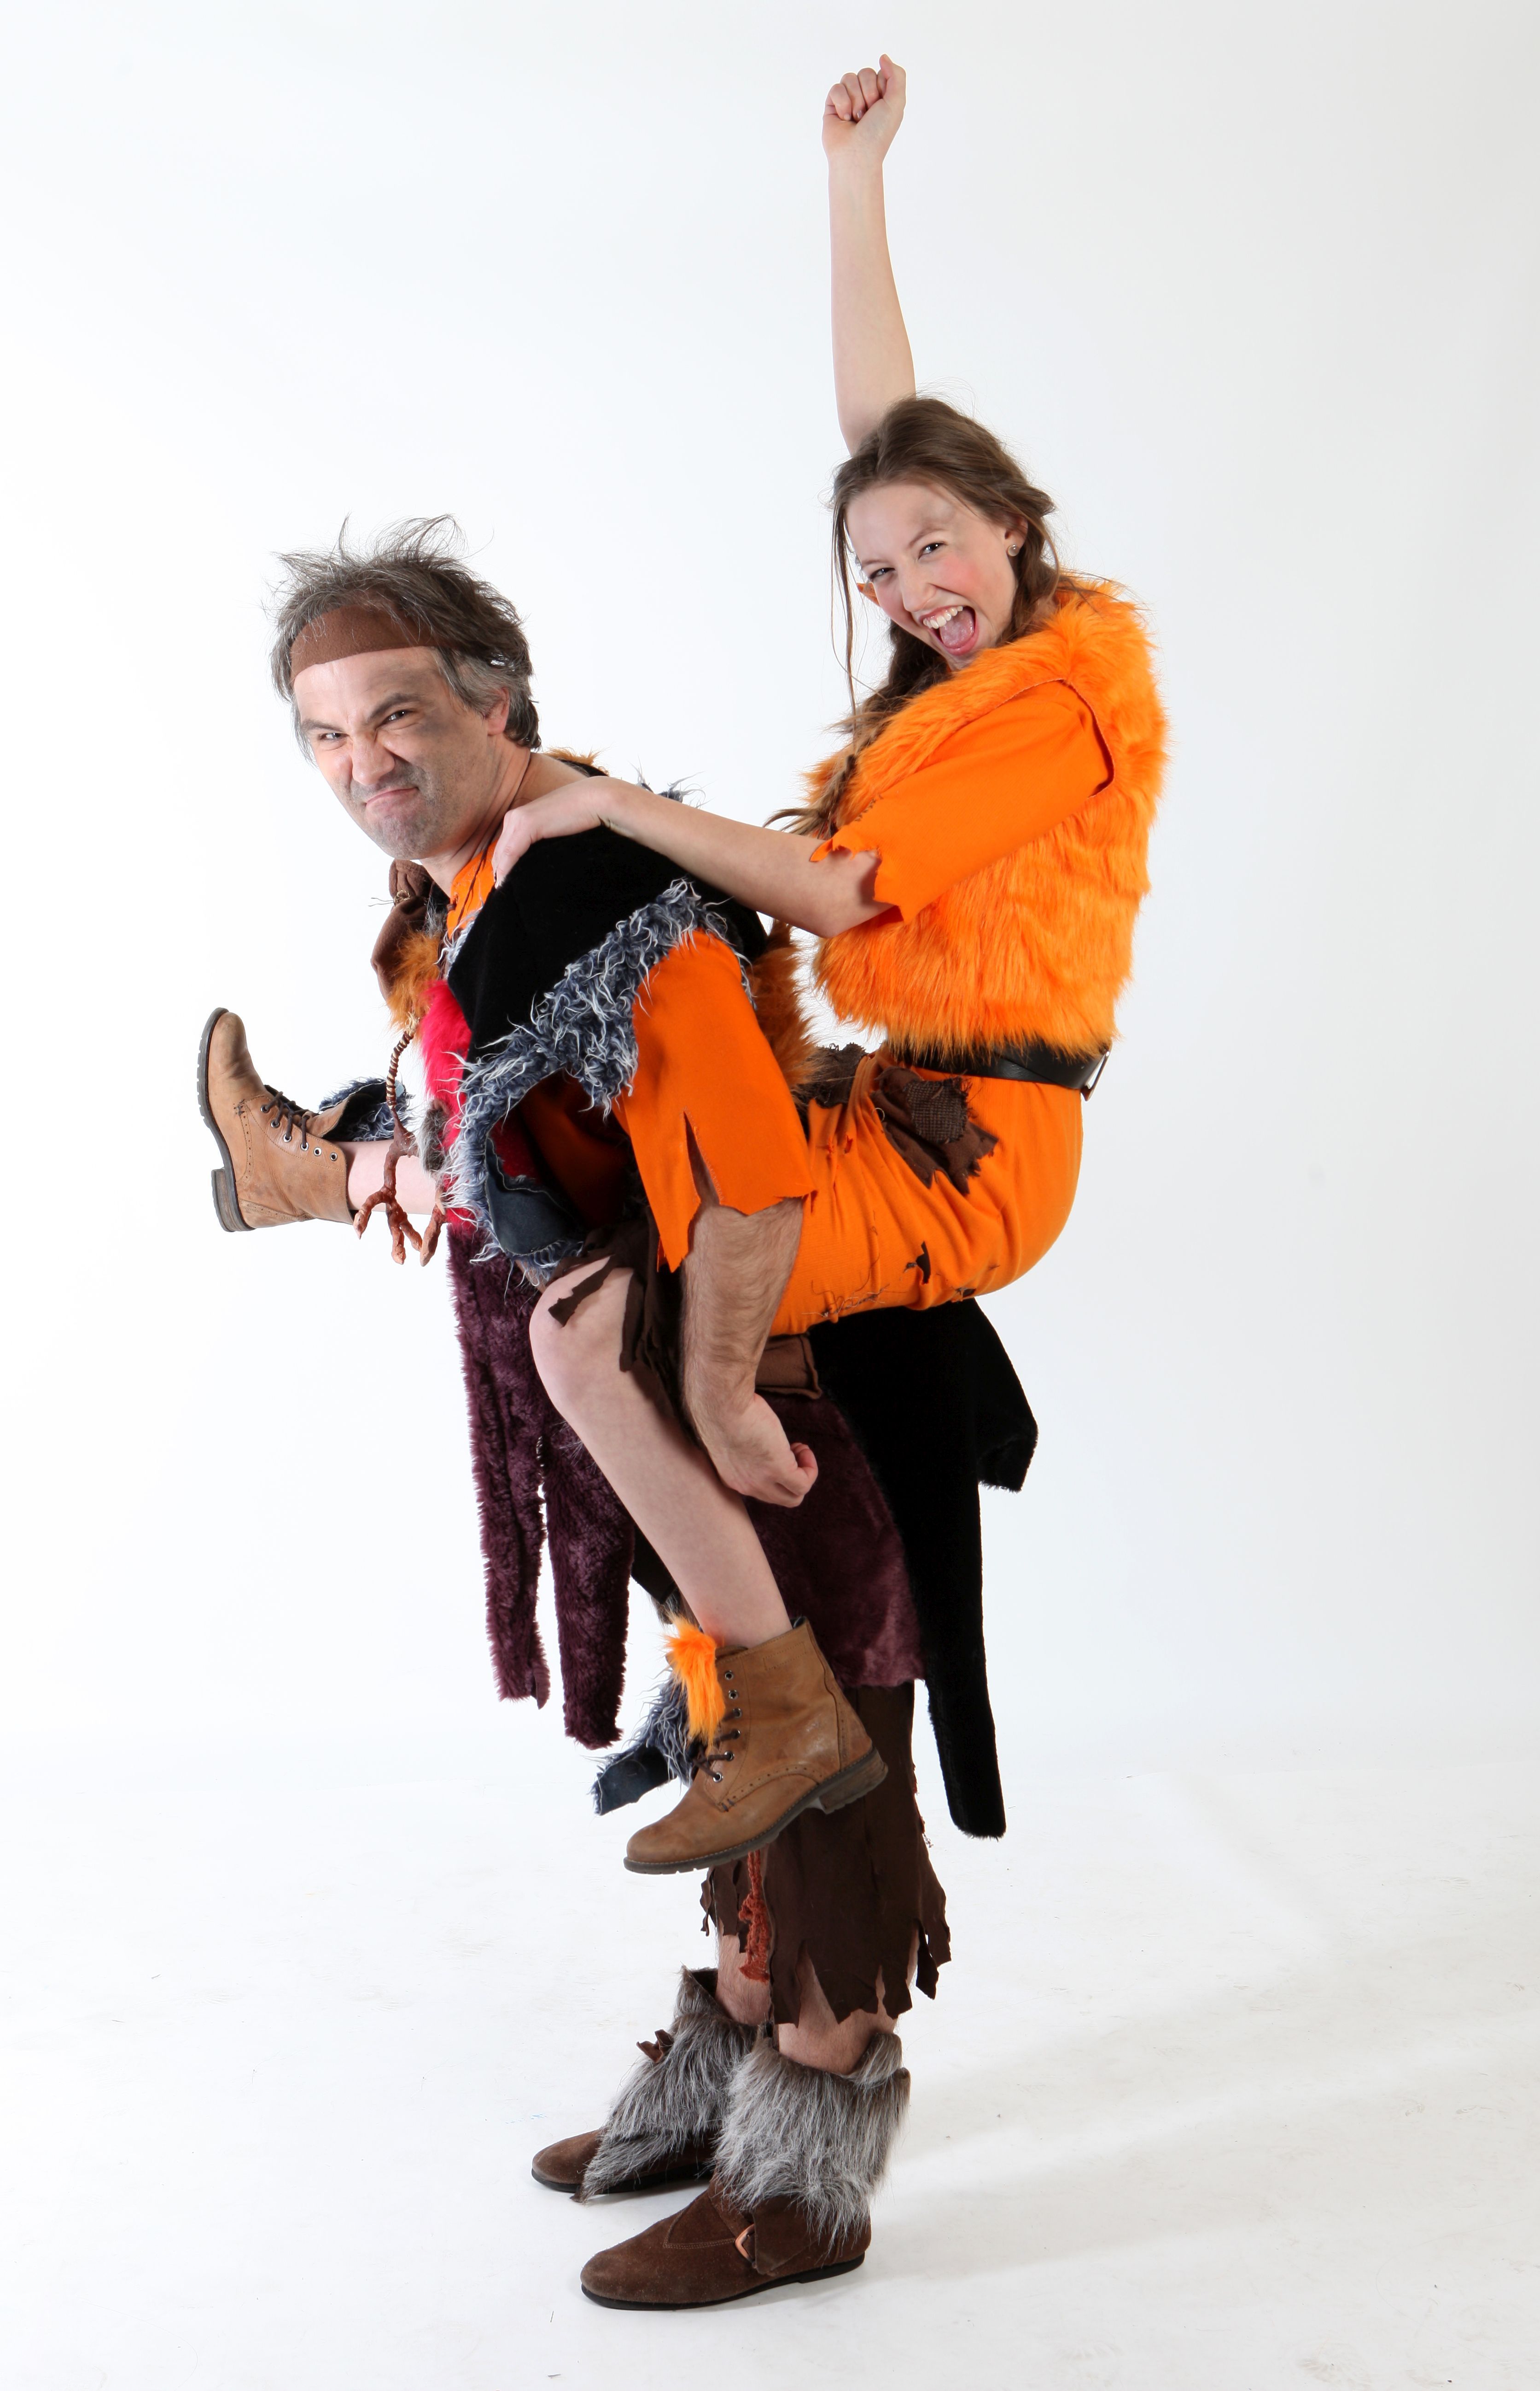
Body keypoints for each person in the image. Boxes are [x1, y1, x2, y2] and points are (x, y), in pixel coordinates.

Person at [195, 54, 1164, 2309]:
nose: (367, 768)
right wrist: (851, 186)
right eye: (328, 740)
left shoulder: (961, 736)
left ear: (497, 705)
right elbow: (887, 449)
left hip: (905, 1210)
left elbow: (795, 973)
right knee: (728, 1677)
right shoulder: (473, 897)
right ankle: (725, 2045)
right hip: (843, 1175)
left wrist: (706, 1365)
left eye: (400, 723)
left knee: (805, 1706)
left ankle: (806, 2147)